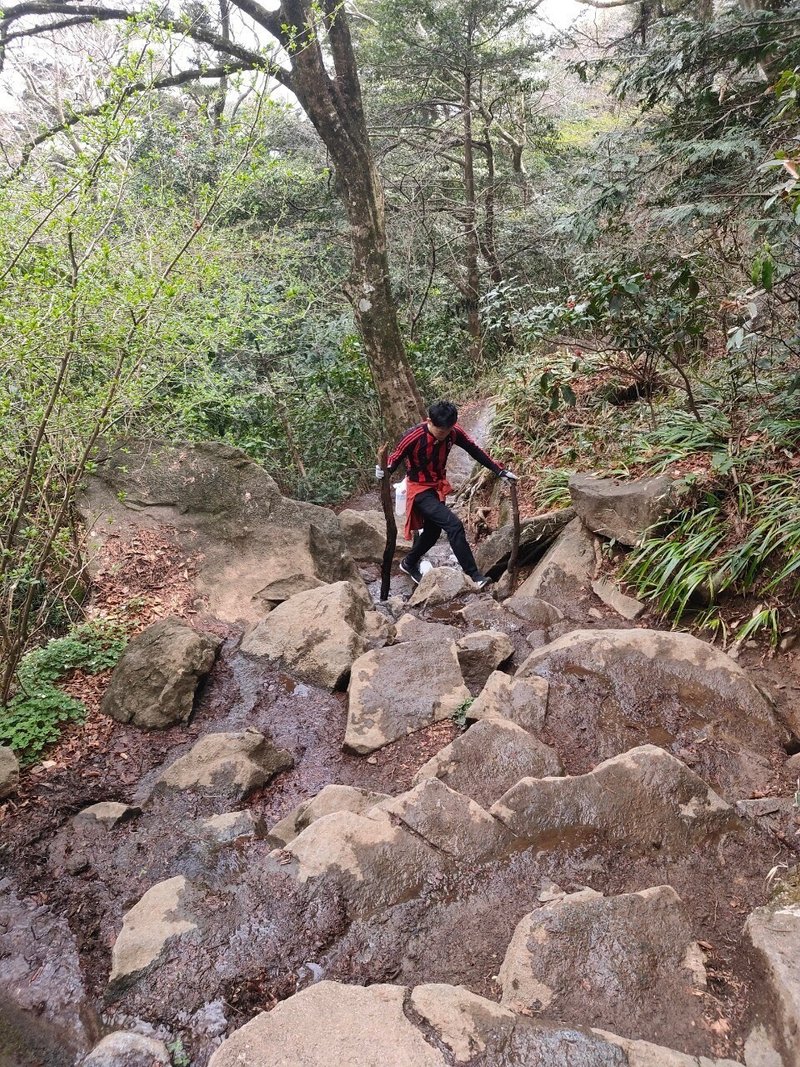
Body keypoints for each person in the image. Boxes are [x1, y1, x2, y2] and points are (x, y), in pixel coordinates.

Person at [376, 400, 518, 589]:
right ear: (429, 421)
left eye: (447, 431)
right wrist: (383, 470)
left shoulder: (453, 432)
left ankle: (409, 563)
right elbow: (395, 457)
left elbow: (474, 449)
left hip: (436, 487)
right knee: (454, 525)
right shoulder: (413, 436)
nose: (444, 436)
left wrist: (499, 471)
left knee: (433, 532)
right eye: (440, 431)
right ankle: (474, 575)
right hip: (418, 488)